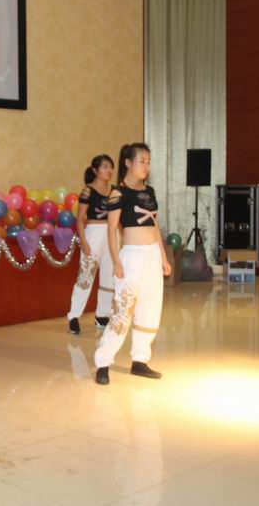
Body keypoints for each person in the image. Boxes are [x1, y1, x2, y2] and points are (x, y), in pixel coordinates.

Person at [94, 143, 171, 385]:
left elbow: (154, 224)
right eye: (142, 161)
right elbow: (111, 229)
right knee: (122, 309)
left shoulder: (150, 191)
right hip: (132, 257)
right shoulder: (118, 193)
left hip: (152, 255)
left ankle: (140, 360)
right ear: (128, 162)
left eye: (148, 162)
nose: (146, 166)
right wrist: (116, 261)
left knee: (150, 306)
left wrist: (163, 256)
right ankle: (103, 362)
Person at [67, 154, 115, 335]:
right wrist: (84, 242)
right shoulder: (87, 191)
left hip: (111, 235)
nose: (109, 170)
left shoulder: (114, 191)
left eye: (111, 167)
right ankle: (74, 316)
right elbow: (80, 219)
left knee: (109, 277)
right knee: (86, 276)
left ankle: (102, 315)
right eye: (105, 167)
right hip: (94, 234)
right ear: (95, 170)